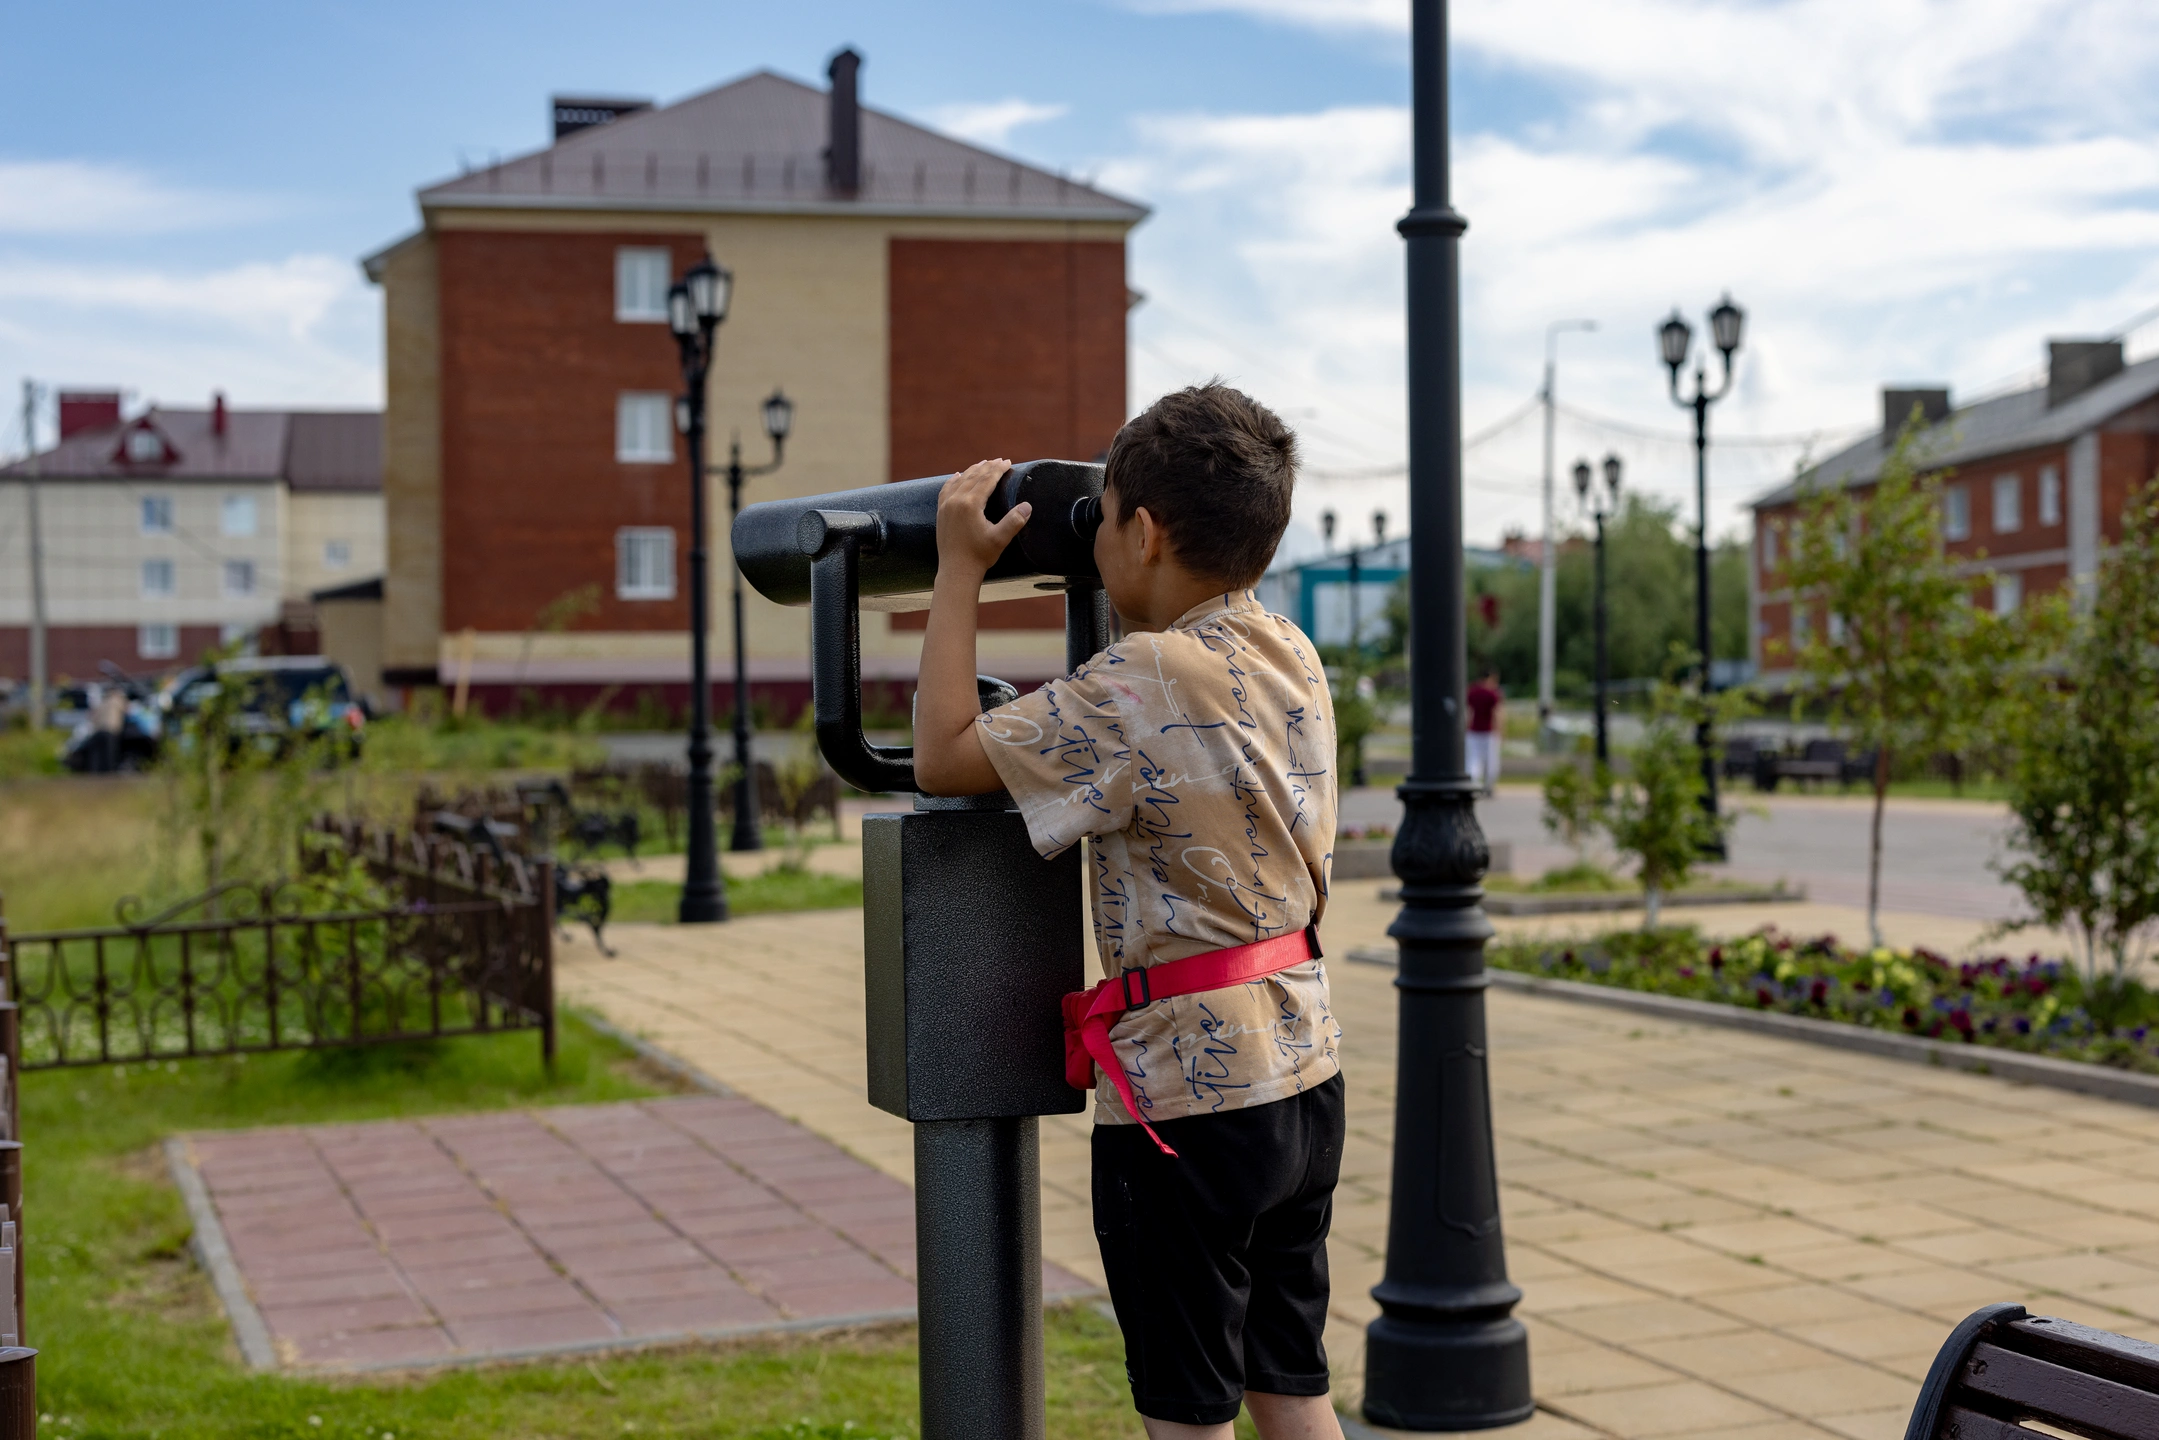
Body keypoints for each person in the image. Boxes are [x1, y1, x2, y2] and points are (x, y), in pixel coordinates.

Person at [912, 383, 1345, 1440]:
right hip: (1302, 1065)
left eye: (1101, 517)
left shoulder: (1138, 679)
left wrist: (958, 571)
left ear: (1141, 532)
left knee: (1186, 1412)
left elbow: (942, 753)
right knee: (1290, 1386)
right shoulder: (1289, 650)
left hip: (1185, 1104)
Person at [1466, 669, 1503, 797]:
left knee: (1473, 760)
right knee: (1491, 760)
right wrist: (1499, 730)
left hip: (1473, 731)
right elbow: (1496, 713)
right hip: (1489, 731)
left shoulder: (1472, 691)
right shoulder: (1492, 693)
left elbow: (1468, 711)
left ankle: (1473, 783)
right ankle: (1488, 786)